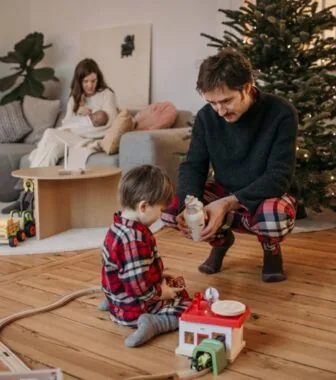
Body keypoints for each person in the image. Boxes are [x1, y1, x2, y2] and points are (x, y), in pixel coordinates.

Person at [161, 48, 298, 283]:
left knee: (273, 216)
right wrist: (188, 203)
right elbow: (193, 165)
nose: (220, 111)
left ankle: (271, 249)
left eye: (226, 101)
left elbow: (279, 176)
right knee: (171, 212)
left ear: (247, 87)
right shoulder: (207, 117)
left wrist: (226, 204)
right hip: (224, 189)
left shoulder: (281, 113)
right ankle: (221, 241)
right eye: (212, 103)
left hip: (266, 193)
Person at [100, 165, 191, 347]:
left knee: (162, 283)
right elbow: (138, 287)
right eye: (160, 210)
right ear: (143, 206)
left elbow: (124, 269)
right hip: (134, 309)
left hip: (121, 296)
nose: (161, 215)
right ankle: (154, 323)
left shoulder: (118, 226)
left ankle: (113, 300)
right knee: (187, 305)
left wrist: (158, 277)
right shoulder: (135, 239)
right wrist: (161, 293)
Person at [28, 58, 118, 168]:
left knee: (50, 133)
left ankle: (28, 180)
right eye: (86, 81)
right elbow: (66, 125)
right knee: (51, 150)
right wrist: (78, 113)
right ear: (79, 81)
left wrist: (74, 130)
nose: (90, 85)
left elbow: (110, 125)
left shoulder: (107, 95)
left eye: (93, 81)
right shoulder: (74, 99)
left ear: (98, 79)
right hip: (69, 139)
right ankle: (35, 183)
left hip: (90, 140)